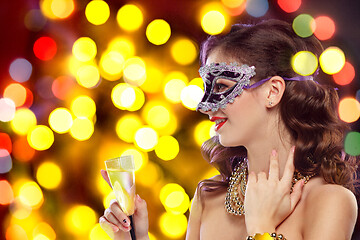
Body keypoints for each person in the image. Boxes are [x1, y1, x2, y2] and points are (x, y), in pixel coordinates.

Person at [99, 19, 359, 240]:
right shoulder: (208, 197)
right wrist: (136, 237)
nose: (205, 106)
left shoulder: (330, 202)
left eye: (222, 87)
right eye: (205, 88)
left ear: (273, 91)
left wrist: (261, 229)